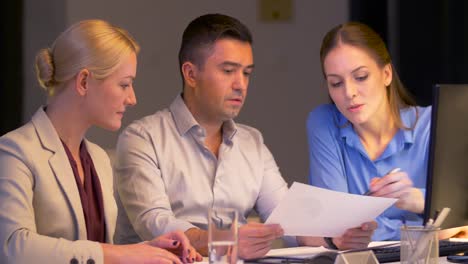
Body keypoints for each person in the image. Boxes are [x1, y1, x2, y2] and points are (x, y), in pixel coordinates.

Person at [114, 13, 376, 260]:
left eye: (246, 72)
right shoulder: (141, 138)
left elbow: (287, 220)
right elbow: (157, 226)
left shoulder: (252, 142)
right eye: (228, 71)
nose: (241, 84)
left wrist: (334, 239)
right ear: (191, 74)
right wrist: (227, 240)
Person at [0, 19, 201, 264]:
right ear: (84, 82)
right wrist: (124, 254)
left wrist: (151, 250)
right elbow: (13, 248)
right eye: (124, 84)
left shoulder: (99, 159)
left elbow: (99, 252)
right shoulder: (14, 151)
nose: (132, 98)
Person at [306, 22, 431, 241]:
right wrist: (423, 227)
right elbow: (335, 224)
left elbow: (461, 217)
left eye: (361, 77)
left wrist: (419, 200)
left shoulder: (432, 124)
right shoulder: (324, 123)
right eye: (336, 83)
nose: (349, 92)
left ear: (386, 74)